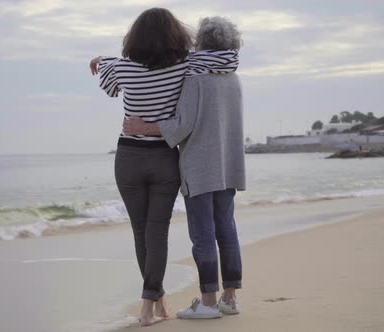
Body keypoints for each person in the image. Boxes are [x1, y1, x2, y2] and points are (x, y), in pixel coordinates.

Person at [89, 8, 238, 326]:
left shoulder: (120, 67)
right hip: (165, 158)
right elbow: (226, 60)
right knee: (157, 232)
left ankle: (155, 301)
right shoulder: (185, 64)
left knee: (140, 232)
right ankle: (151, 303)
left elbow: (108, 85)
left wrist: (102, 61)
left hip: (128, 156)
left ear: (134, 36)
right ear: (176, 36)